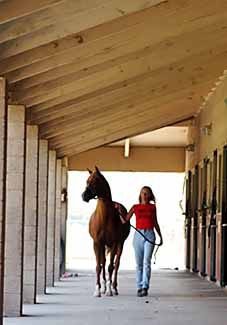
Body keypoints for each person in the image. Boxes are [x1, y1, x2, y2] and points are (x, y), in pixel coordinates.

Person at [115, 186, 163, 297]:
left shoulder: (152, 208)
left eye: (147, 193)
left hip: (150, 234)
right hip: (138, 235)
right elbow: (125, 220)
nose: (145, 196)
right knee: (139, 264)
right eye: (143, 193)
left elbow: (155, 222)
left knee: (146, 262)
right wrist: (118, 211)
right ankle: (139, 286)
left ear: (150, 195)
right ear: (140, 195)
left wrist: (161, 237)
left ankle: (145, 286)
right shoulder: (135, 207)